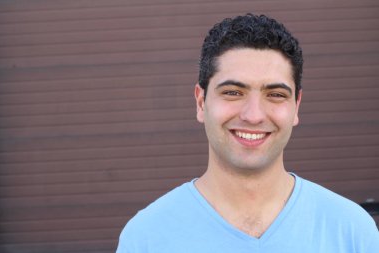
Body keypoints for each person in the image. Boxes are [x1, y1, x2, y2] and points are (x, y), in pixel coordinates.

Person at [116, 13, 379, 252]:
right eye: (232, 92)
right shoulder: (146, 238)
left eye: (275, 94)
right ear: (200, 102)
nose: (253, 115)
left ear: (296, 106)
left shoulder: (352, 232)